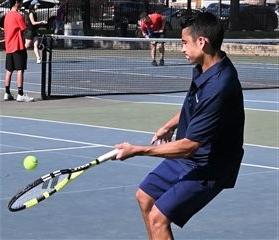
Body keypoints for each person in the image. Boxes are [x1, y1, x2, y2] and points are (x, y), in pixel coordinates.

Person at [113, 11, 245, 239]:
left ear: (202, 42)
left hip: (211, 165)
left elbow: (189, 145)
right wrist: (169, 125)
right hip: (191, 158)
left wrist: (138, 150)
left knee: (158, 217)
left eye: (184, 43)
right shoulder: (205, 65)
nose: (182, 48)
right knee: (144, 196)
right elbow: (193, 105)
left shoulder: (219, 86)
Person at [3, 0, 34, 102]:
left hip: (9, 47)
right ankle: (20, 94)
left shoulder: (7, 16)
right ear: (16, 2)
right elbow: (24, 29)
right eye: (20, 2)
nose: (21, 4)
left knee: (9, 70)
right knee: (20, 70)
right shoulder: (18, 15)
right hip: (17, 46)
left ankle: (7, 93)